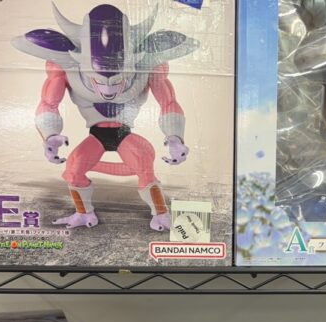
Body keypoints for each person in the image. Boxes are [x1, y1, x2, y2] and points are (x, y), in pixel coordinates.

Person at [14, 4, 196, 231]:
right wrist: (50, 135)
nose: (108, 89)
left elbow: (168, 102)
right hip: (97, 136)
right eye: (99, 81)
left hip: (124, 134)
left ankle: (161, 215)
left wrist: (175, 136)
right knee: (73, 170)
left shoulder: (147, 65)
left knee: (144, 168)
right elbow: (48, 104)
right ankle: (83, 213)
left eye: (117, 80)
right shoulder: (66, 66)